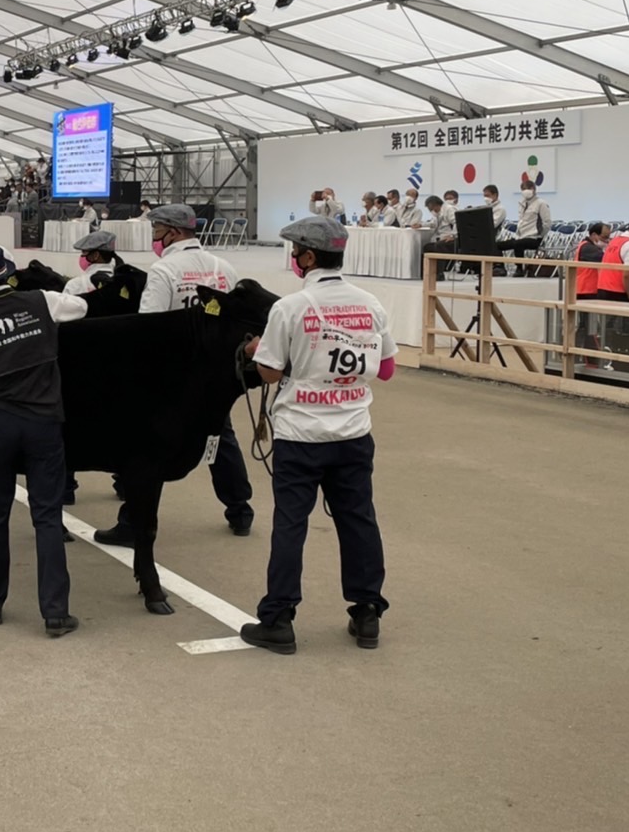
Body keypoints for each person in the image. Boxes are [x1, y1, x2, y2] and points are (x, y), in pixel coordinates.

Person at [238, 216, 396, 655]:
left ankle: (279, 618)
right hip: (353, 432)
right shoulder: (371, 303)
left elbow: (268, 371)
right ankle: (367, 612)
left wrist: (255, 351)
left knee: (291, 523)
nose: (293, 259)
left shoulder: (290, 307)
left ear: (308, 257)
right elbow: (385, 369)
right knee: (358, 519)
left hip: (300, 434)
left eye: (295, 252)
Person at [93, 204, 254, 545]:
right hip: (217, 370)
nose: (155, 240)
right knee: (220, 436)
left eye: (157, 232)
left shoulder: (164, 269)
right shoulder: (224, 267)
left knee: (147, 447)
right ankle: (240, 509)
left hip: (175, 373)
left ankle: (131, 522)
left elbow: (148, 324)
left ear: (174, 233)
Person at [0, 241, 85, 638]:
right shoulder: (42, 301)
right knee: (47, 516)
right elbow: (80, 307)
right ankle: (56, 613)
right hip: (44, 421)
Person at [571, 222, 610, 355]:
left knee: (586, 325)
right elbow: (606, 260)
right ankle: (584, 352)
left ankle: (582, 351)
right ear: (594, 235)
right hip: (585, 290)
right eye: (604, 237)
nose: (607, 241)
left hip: (586, 288)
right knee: (588, 326)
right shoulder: (588, 248)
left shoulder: (586, 246)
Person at [498, 180, 551, 276]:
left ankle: (519, 268)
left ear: (534, 189)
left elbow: (547, 223)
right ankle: (499, 267)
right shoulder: (522, 204)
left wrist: (540, 235)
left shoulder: (541, 203)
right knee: (498, 245)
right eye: (523, 189)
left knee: (518, 244)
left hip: (534, 238)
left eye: (528, 188)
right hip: (521, 236)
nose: (526, 191)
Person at [63, 230, 121, 295]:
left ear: (95, 255)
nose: (81, 256)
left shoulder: (75, 285)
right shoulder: (122, 282)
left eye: (84, 252)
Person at [420, 195, 458, 275]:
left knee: (439, 245)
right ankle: (425, 273)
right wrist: (421, 225)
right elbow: (433, 224)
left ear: (436, 205)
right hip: (442, 238)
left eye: (431, 208)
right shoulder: (437, 213)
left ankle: (439, 273)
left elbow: (457, 222)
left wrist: (453, 236)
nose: (431, 211)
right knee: (427, 247)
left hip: (454, 239)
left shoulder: (449, 209)